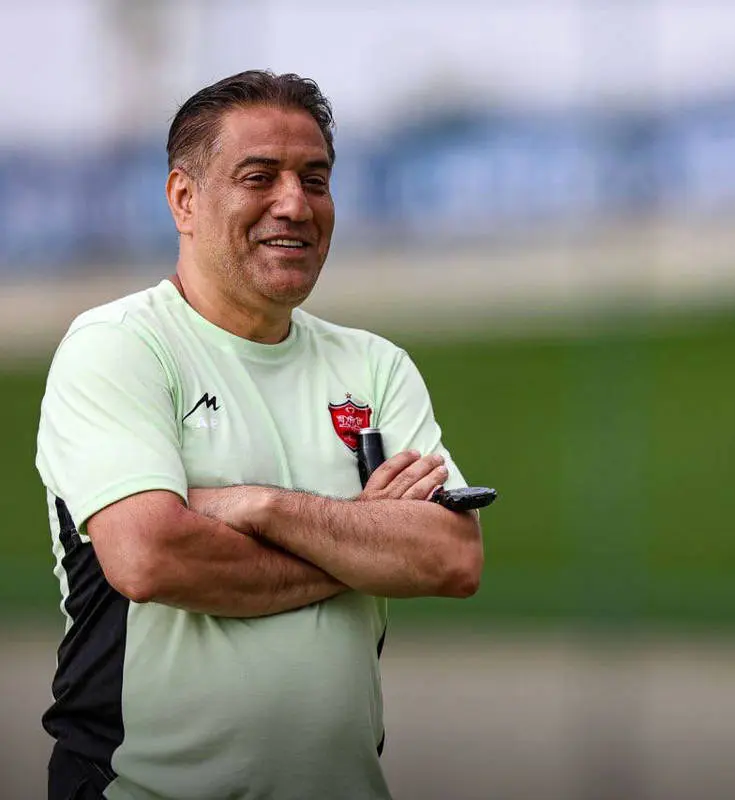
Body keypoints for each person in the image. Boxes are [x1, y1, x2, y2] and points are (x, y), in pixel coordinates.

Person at [34, 70, 484, 800]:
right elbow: (151, 556)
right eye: (259, 177)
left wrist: (259, 508)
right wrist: (364, 543)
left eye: (315, 179)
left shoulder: (375, 367)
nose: (294, 204)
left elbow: (451, 556)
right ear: (184, 199)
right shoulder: (117, 347)